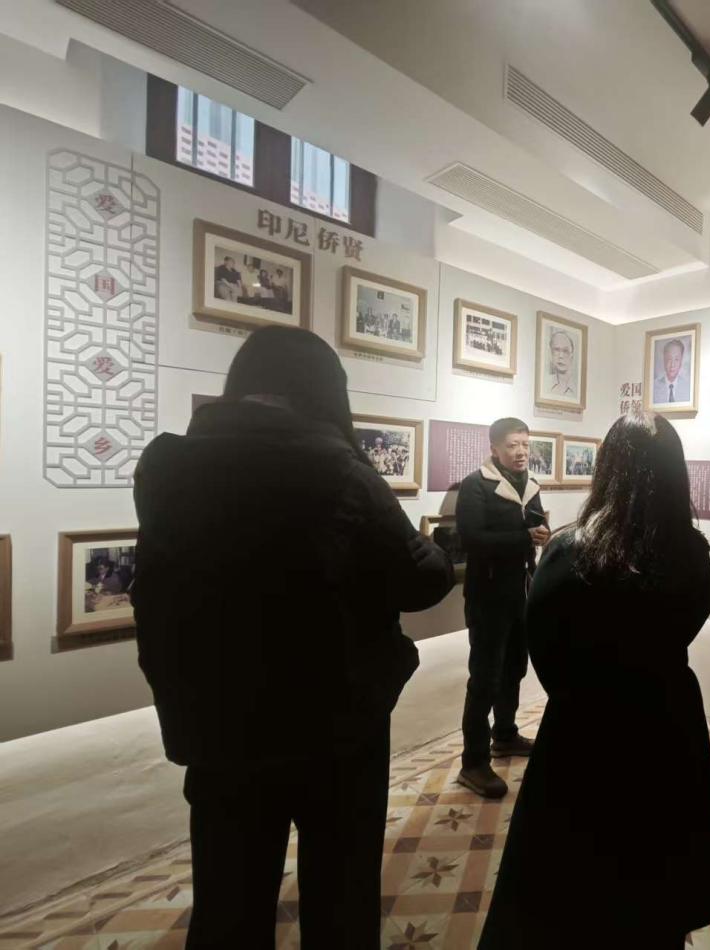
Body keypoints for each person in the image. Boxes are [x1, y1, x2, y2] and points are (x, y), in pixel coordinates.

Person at [131, 326, 454, 947]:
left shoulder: (167, 465)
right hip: (333, 725)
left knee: (228, 901)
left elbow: (157, 592)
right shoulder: (338, 468)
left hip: (218, 724)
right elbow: (422, 580)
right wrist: (428, 550)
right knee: (340, 897)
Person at [480, 412, 710, 947]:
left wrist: (581, 691)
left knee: (571, 886)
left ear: (609, 467)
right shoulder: (692, 551)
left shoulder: (571, 549)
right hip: (664, 723)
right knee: (655, 882)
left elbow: (545, 647)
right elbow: (688, 622)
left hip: (583, 727)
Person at [456, 418, 549, 798]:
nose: (521, 451)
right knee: (484, 678)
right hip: (488, 595)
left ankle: (505, 735)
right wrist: (524, 537)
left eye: (525, 444)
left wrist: (541, 534)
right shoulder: (475, 486)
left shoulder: (530, 484)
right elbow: (472, 539)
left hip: (520, 593)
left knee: (514, 668)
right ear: (494, 448)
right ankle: (473, 762)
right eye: (513, 445)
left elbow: (536, 526)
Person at [653, 338, 690, 405]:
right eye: (669, 359)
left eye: (676, 359)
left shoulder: (688, 387)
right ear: (664, 360)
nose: (672, 365)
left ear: (681, 361)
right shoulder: (654, 386)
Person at [546, 330, 577, 397]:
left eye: (565, 351)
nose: (561, 356)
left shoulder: (577, 387)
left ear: (572, 356)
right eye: (557, 350)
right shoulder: (545, 383)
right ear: (551, 353)